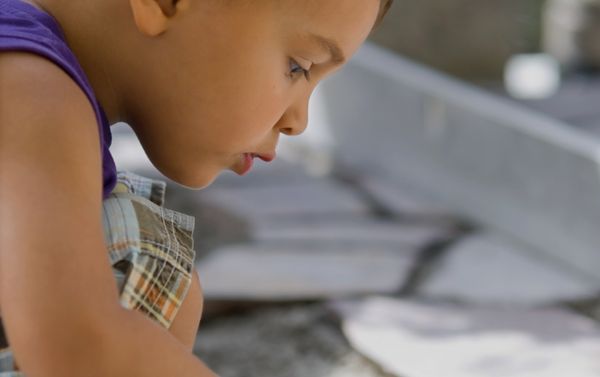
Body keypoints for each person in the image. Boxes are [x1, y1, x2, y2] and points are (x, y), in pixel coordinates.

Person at [0, 0, 393, 375]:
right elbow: (78, 349)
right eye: (298, 66)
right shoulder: (30, 93)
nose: (298, 122)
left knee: (160, 280)